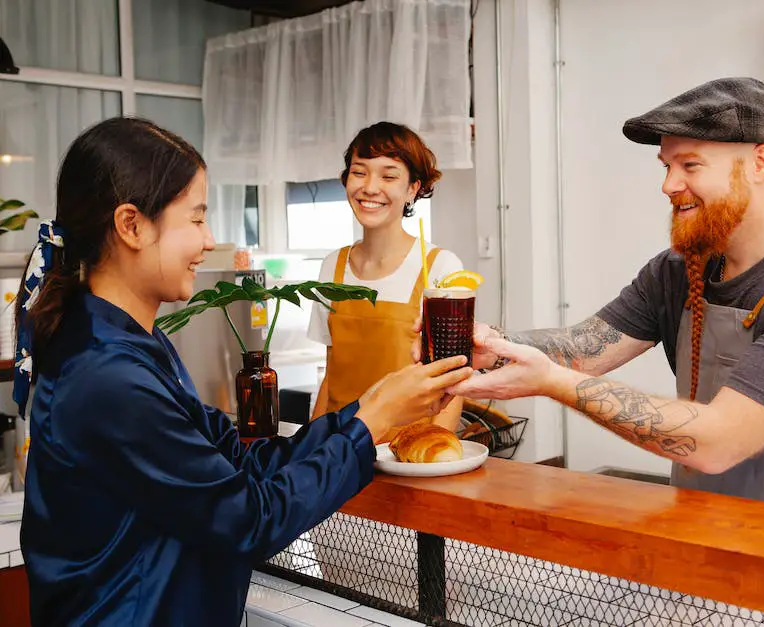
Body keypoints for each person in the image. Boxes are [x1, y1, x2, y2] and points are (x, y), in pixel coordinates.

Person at [16, 117, 471, 626]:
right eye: (196, 218)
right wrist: (367, 427)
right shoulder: (107, 376)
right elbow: (248, 517)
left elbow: (236, 457)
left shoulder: (134, 346)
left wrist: (368, 412)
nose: (210, 240)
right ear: (131, 225)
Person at [446, 77, 764, 517]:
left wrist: (552, 382)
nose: (668, 185)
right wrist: (481, 343)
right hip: (701, 530)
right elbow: (581, 350)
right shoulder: (679, 269)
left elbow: (717, 443)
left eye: (690, 165)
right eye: (666, 166)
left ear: (759, 163)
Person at [309, 121, 466, 441]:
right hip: (340, 453)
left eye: (389, 175)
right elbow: (331, 377)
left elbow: (454, 384)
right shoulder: (331, 267)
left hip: (408, 452)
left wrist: (427, 459)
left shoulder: (440, 267)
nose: (370, 187)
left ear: (412, 189)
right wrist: (309, 452)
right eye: (359, 172)